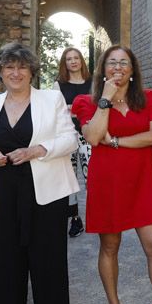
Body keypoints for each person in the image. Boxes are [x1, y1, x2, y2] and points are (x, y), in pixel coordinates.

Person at [0, 43, 78, 304]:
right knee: (5, 260)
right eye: (8, 68)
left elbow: (70, 139)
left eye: (21, 67)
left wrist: (38, 150)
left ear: (31, 71)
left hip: (45, 190)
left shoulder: (51, 99)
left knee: (48, 257)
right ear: (0, 73)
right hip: (2, 191)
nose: (15, 73)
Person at [72, 45, 152, 304]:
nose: (118, 68)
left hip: (142, 182)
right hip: (107, 185)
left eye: (124, 63)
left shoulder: (147, 99)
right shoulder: (87, 102)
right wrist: (106, 100)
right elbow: (94, 135)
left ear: (133, 70)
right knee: (109, 247)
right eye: (112, 63)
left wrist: (116, 142)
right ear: (103, 69)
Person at [50, 46, 93, 238]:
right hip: (67, 134)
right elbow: (57, 112)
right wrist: (79, 109)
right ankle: (75, 219)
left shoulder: (93, 83)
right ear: (64, 63)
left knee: (91, 175)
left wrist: (73, 108)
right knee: (70, 178)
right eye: (69, 59)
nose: (73, 61)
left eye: (76, 58)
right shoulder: (58, 85)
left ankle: (96, 215)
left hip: (88, 134)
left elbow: (98, 108)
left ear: (81, 61)